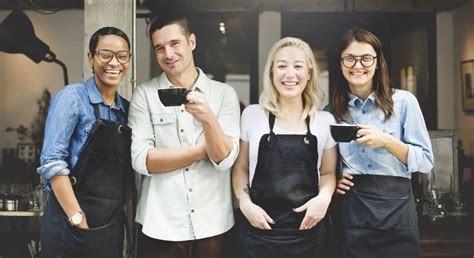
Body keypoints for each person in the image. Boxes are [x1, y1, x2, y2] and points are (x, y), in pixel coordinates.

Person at [127, 15, 240, 258]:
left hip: (214, 224)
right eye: (160, 47)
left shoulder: (224, 94)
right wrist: (200, 151)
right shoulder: (144, 95)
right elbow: (142, 160)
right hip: (160, 225)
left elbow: (225, 159)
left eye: (175, 43)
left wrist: (209, 118)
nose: (168, 54)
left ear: (192, 42)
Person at [330, 27, 434, 258]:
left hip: (397, 214)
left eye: (366, 58)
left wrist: (386, 140)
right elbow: (323, 165)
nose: (358, 65)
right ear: (340, 64)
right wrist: (332, 180)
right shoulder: (331, 113)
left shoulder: (404, 102)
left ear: (377, 62)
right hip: (352, 215)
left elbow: (426, 162)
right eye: (349, 58)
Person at [232, 37, 338, 258]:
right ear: (271, 72)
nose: (290, 74)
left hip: (309, 233)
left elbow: (327, 173)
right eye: (281, 66)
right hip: (258, 232)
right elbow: (240, 168)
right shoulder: (252, 115)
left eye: (298, 66)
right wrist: (245, 204)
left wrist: (324, 198)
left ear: (309, 73)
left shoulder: (325, 121)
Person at [37, 26, 135, 257]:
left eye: (122, 56)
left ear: (128, 60)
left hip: (110, 228)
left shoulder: (127, 111)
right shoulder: (72, 98)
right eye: (105, 54)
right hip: (70, 224)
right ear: (91, 57)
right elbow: (52, 163)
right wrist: (76, 217)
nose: (114, 63)